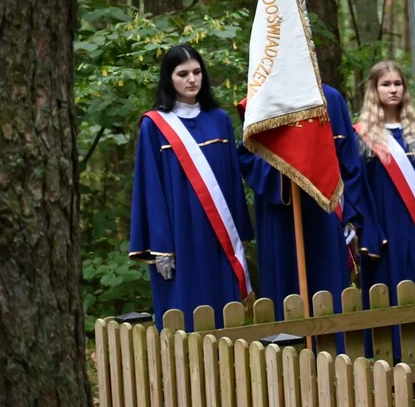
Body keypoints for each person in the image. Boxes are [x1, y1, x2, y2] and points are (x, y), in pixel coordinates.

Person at [129, 44, 254, 330]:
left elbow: (233, 181)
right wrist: (161, 246)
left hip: (220, 234)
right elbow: (151, 189)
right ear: (168, 78)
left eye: (197, 72)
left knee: (225, 311)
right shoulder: (155, 125)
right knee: (184, 311)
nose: (192, 79)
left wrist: (240, 235)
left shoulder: (220, 119)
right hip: (179, 234)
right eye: (182, 73)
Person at [238, 83, 378, 327]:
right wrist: (286, 168)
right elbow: (249, 155)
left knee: (330, 292)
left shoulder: (332, 98)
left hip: (325, 213)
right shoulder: (262, 98)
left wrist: (351, 215)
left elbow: (350, 161)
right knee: (285, 292)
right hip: (280, 215)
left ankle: (335, 355)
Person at [353, 60, 415, 362]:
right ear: (374, 89)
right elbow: (358, 189)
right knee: (387, 291)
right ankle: (387, 361)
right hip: (382, 232)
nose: (393, 89)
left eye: (397, 84)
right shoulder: (362, 136)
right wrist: (366, 231)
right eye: (386, 84)